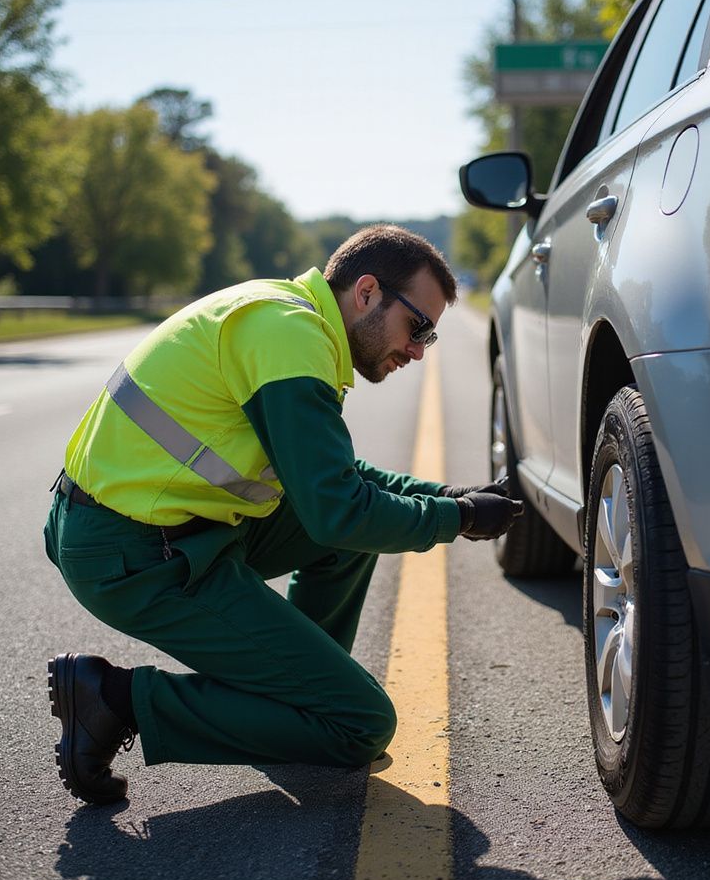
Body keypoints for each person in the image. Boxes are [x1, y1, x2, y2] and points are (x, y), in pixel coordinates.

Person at [44, 224, 522, 805]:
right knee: (361, 725)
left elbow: (337, 483)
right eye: (417, 326)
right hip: (133, 553)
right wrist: (459, 520)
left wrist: (450, 497)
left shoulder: (288, 316)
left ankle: (300, 694)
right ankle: (115, 700)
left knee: (351, 535)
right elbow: (338, 512)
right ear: (366, 292)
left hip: (171, 529)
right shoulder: (290, 336)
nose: (419, 349)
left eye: (431, 337)